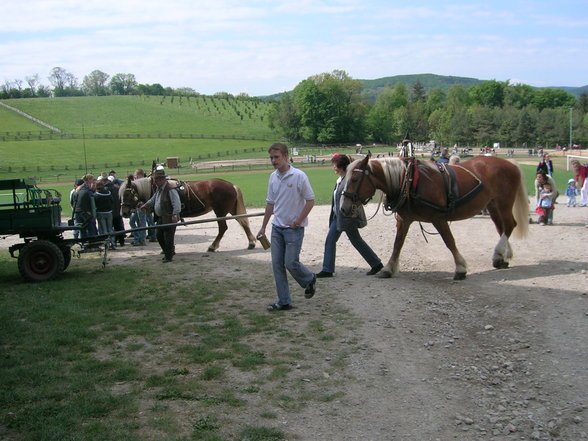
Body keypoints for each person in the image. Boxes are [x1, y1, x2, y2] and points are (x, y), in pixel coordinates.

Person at [257, 142, 316, 311]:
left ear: (285, 156)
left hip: (293, 229)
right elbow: (270, 204)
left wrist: (298, 220)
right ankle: (284, 301)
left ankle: (309, 279)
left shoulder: (299, 176)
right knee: (277, 265)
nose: (273, 161)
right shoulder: (273, 177)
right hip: (277, 228)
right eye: (271, 158)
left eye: (276, 157)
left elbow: (310, 201)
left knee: (290, 263)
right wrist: (263, 227)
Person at [316, 154, 382, 278]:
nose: (333, 168)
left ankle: (328, 269)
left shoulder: (347, 179)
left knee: (351, 240)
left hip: (346, 217)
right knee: (350, 240)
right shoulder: (341, 179)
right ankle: (375, 263)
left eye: (334, 165)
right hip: (339, 216)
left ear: (340, 167)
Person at [139, 167, 181, 262]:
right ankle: (168, 253)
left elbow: (177, 204)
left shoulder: (170, 189)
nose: (155, 182)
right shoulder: (159, 189)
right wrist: (146, 205)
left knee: (168, 238)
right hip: (160, 218)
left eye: (156, 179)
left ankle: (168, 257)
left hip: (169, 218)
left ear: (162, 179)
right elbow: (153, 199)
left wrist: (175, 215)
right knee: (159, 236)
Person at [73, 173, 97, 242]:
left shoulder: (76, 191)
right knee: (91, 228)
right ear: (88, 181)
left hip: (77, 212)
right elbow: (92, 202)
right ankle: (92, 243)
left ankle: (84, 243)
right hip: (86, 213)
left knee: (82, 230)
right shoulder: (87, 191)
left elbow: (73, 202)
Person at [93, 180, 116, 249]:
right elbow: (112, 201)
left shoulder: (96, 195)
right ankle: (113, 243)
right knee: (110, 228)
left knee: (103, 229)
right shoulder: (108, 193)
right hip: (109, 212)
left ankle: (106, 244)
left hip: (100, 213)